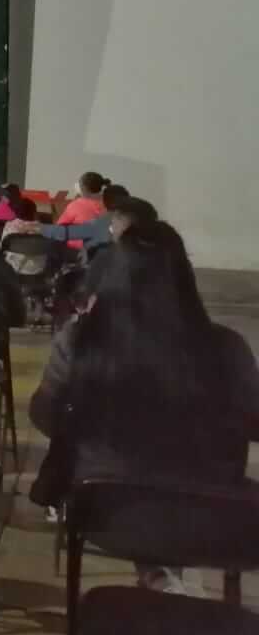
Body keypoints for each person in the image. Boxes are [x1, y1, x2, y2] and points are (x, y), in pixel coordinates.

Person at [29, 221, 259, 593]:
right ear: (185, 277)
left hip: (108, 513)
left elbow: (45, 415)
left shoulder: (80, 341)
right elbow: (254, 423)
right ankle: (164, 577)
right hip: (212, 514)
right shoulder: (227, 347)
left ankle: (158, 575)